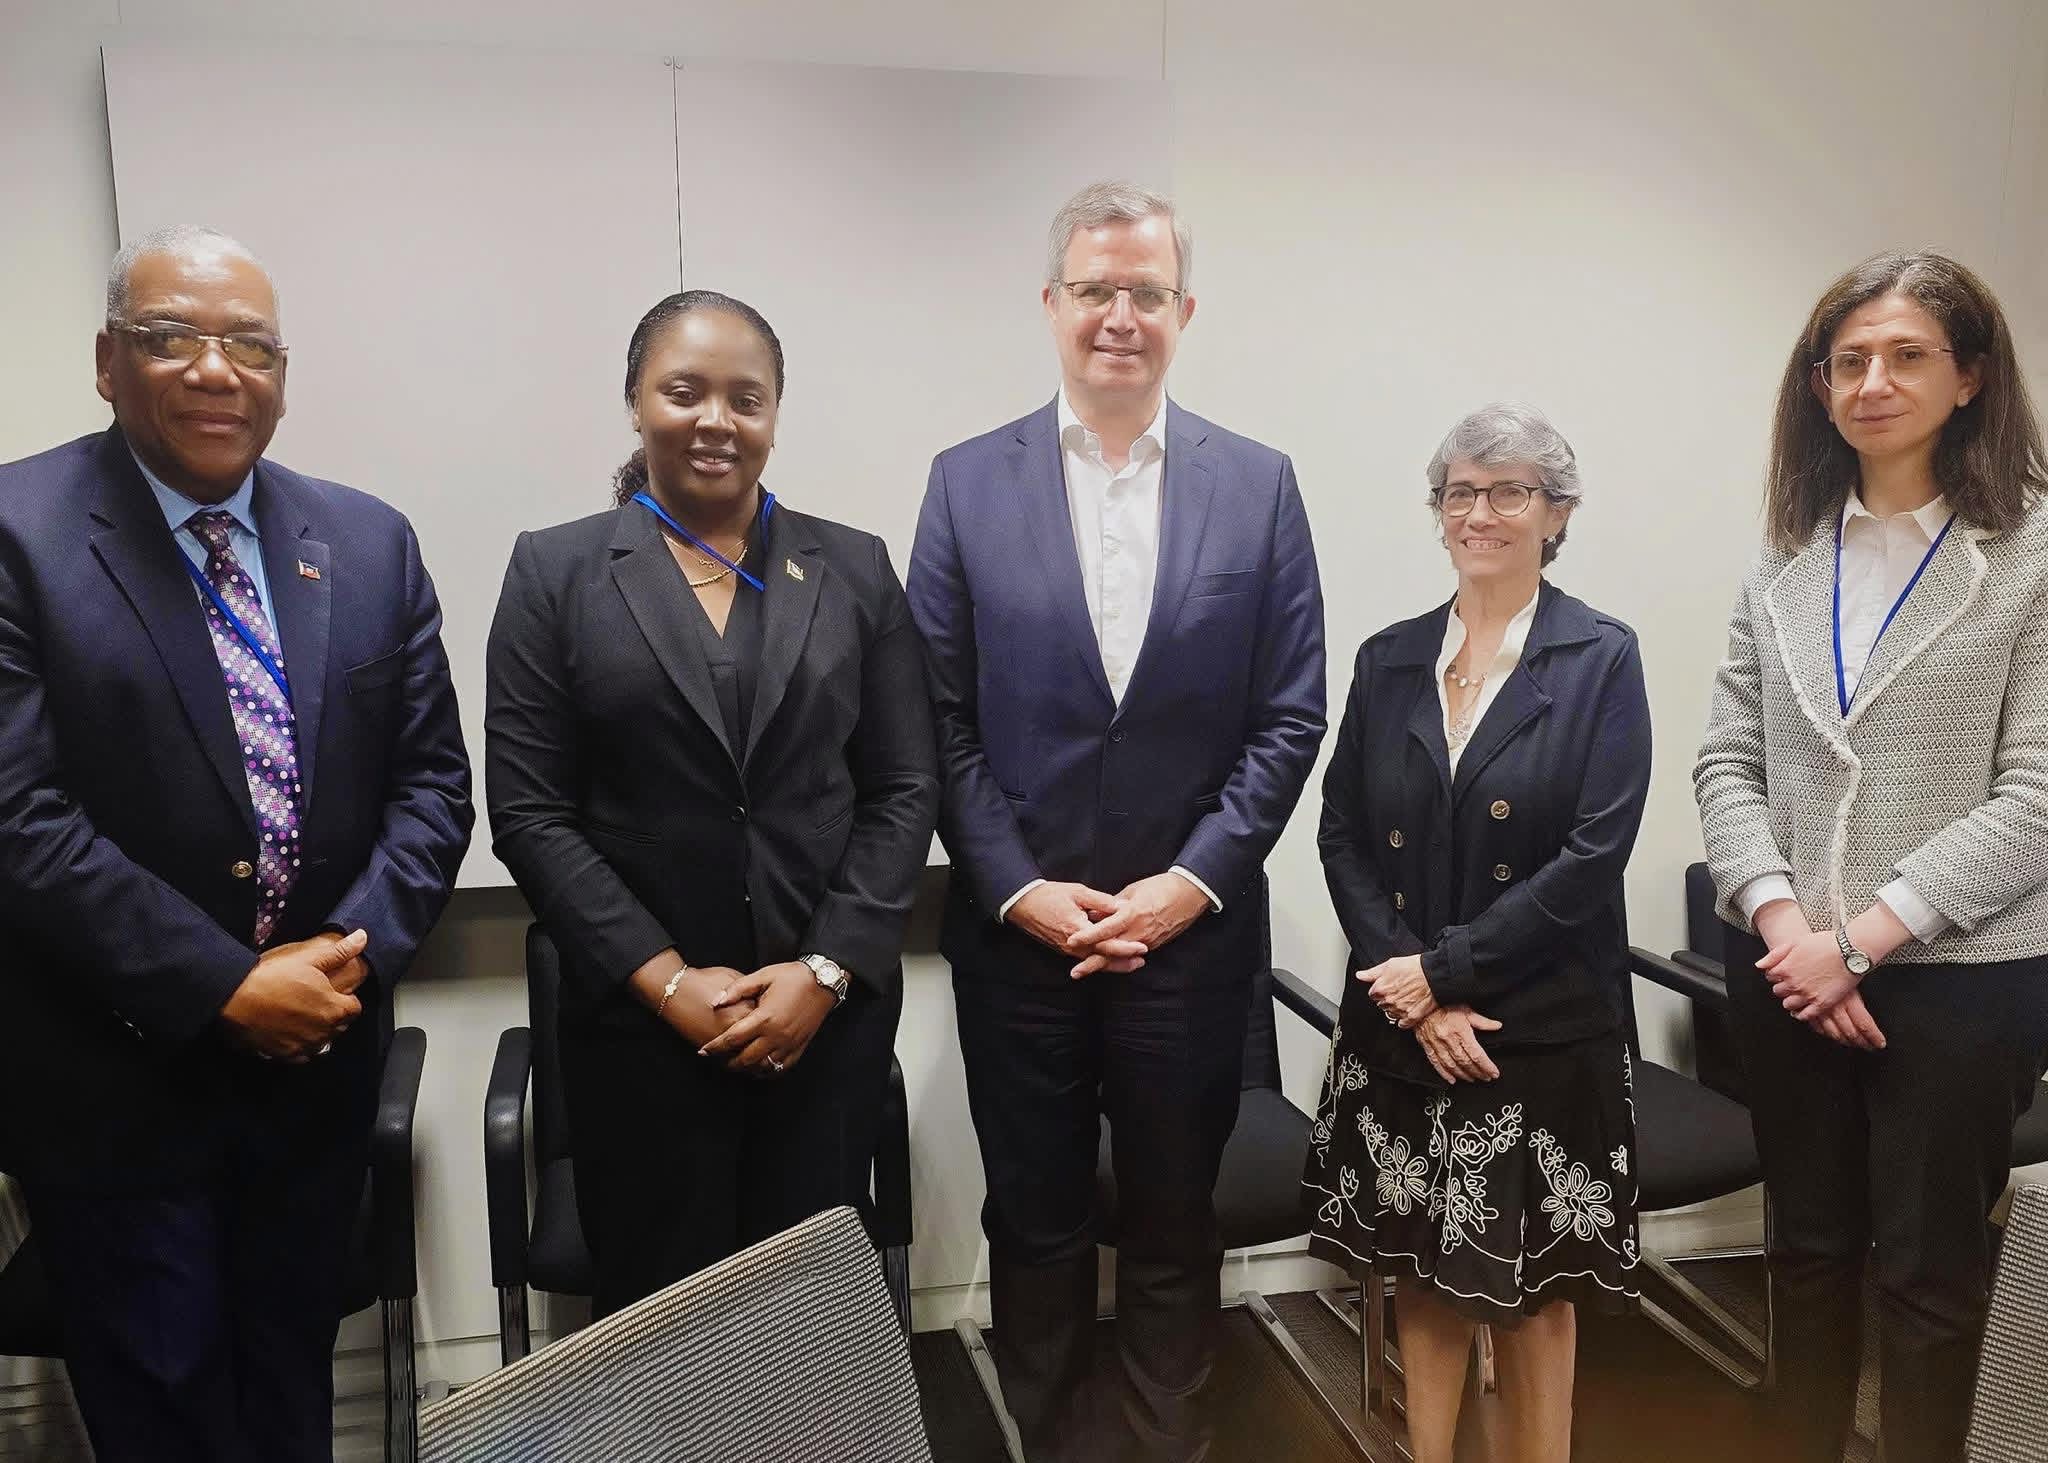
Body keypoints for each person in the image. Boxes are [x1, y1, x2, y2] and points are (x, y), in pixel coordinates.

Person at [0, 226, 473, 1462]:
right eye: (172, 337)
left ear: (282, 373)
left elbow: (432, 786)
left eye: (250, 345)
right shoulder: (16, 530)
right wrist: (223, 984)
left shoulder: (366, 540)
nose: (217, 369)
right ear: (108, 361)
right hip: (117, 1084)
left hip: (313, 1072)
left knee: (290, 1394)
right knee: (163, 1410)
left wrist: (335, 966)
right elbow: (18, 815)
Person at [908, 180, 1326, 1461]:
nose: (1118, 315)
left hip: (1186, 943)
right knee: (1033, 1222)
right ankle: (1047, 1437)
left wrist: (1185, 885)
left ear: (1183, 312)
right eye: (1094, 289)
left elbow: (1287, 716)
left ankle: (1169, 1443)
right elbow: (935, 719)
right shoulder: (964, 482)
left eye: (1145, 291)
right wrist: (1017, 886)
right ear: (1051, 304)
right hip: (1018, 938)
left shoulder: (1257, 485)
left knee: (1170, 1222)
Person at [485, 290, 938, 1316]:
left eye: (746, 397)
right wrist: (668, 981)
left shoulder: (854, 567)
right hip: (641, 1035)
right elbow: (529, 810)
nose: (715, 420)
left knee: (807, 1317)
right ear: (636, 401)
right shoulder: (554, 572)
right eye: (683, 391)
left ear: (775, 412)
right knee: (665, 1325)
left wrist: (824, 970)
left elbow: (904, 785)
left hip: (821, 1026)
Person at [1695, 251, 2048, 1463]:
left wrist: (1858, 940)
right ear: (1818, 385)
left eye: (1904, 356)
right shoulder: (1785, 551)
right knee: (1801, 1257)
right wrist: (1785, 927)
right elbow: (1726, 761)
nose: (1871, 383)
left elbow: (2036, 796)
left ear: (1969, 377)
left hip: (1957, 976)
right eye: (1846, 361)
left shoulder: (2031, 554)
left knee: (1928, 1276)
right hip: (1784, 966)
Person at [1301, 404, 1649, 1463]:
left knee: (1537, 1288)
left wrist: (1444, 973)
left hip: (1535, 1029)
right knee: (1419, 1269)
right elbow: (1340, 834)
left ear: (1557, 514)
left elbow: (1591, 854)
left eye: (1509, 492)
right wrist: (1412, 989)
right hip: (1404, 1026)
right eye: (1460, 491)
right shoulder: (1389, 657)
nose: (1480, 512)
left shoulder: (1599, 655)